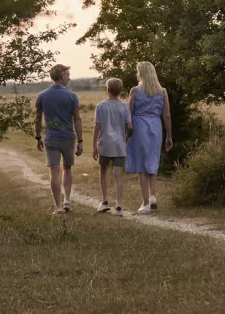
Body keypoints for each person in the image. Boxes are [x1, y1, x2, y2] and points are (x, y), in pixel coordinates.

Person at [34, 64, 83, 214]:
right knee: (67, 168)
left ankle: (58, 206)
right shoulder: (72, 95)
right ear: (61, 76)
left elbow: (37, 118)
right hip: (68, 137)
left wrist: (38, 137)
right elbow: (77, 120)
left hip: (51, 138)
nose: (69, 77)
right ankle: (67, 200)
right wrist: (80, 141)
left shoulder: (42, 95)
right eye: (67, 75)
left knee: (54, 172)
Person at [126, 61, 172, 214]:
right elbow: (167, 115)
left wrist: (127, 131)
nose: (136, 74)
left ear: (142, 73)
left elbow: (129, 113)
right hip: (155, 126)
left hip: (139, 125)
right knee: (152, 160)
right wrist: (169, 136)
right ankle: (153, 196)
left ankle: (145, 202)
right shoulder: (162, 91)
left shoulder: (135, 91)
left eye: (137, 71)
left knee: (141, 165)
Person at [92, 77, 133, 216]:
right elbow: (129, 126)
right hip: (120, 145)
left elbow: (97, 127)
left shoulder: (100, 106)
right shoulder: (125, 106)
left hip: (104, 144)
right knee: (118, 175)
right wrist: (125, 137)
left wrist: (94, 146)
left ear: (107, 90)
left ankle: (104, 201)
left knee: (103, 172)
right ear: (120, 91)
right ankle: (119, 205)